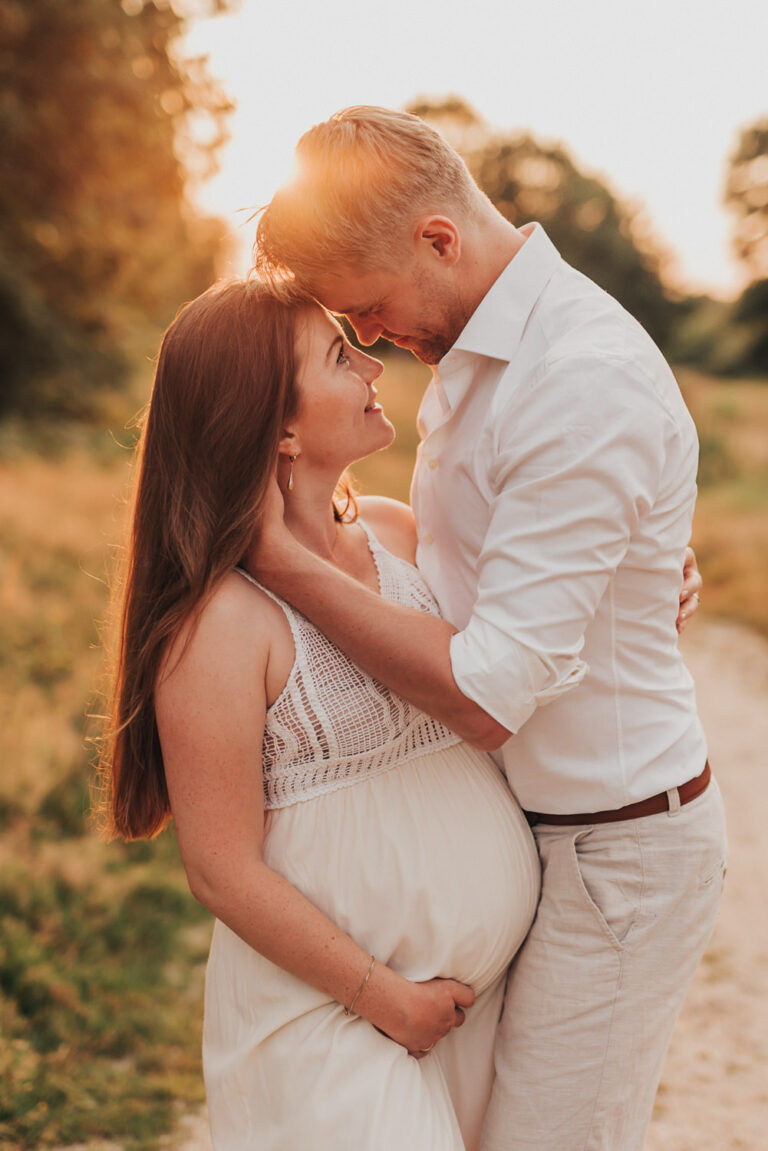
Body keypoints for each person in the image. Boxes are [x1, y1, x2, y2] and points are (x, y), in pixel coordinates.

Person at [249, 106, 726, 1151]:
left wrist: (279, 561)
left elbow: (487, 687)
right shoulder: (478, 351)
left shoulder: (577, 375)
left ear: (437, 238)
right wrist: (633, 581)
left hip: (616, 844)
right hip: (539, 838)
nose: (368, 338)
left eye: (368, 307)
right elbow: (471, 567)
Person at [99, 279, 543, 1151]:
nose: (372, 362)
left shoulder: (400, 534)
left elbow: (529, 643)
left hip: (472, 1010)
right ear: (281, 428)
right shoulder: (220, 624)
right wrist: (386, 998)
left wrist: (649, 586)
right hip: (330, 1022)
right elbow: (222, 869)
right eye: (341, 355)